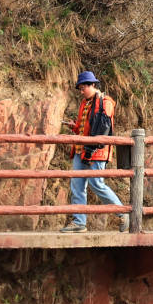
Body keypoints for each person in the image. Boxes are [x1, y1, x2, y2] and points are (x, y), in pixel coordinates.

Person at [59, 71, 128, 233]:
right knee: (77, 185)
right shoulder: (85, 102)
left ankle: (122, 213)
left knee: (96, 183)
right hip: (80, 149)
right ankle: (79, 222)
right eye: (80, 88)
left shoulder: (106, 102)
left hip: (97, 150)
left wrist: (92, 146)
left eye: (83, 88)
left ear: (92, 85)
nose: (81, 91)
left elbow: (102, 128)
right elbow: (86, 127)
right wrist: (74, 126)